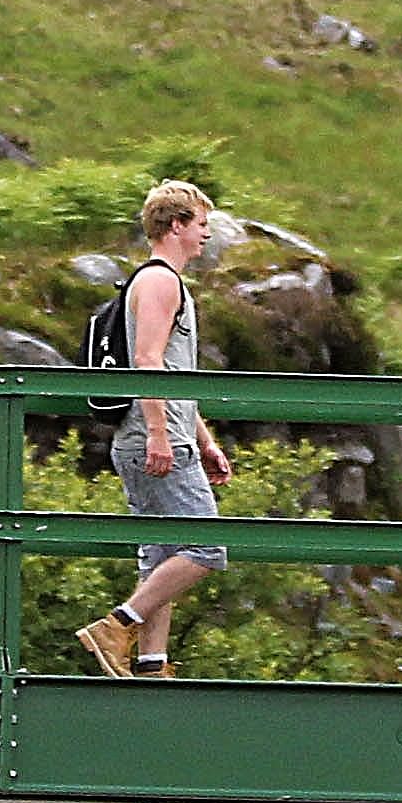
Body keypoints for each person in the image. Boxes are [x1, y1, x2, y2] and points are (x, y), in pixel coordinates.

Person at [77, 178, 231, 678]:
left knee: (162, 552)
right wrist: (162, 433)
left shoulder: (152, 281)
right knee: (205, 548)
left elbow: (170, 367)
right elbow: (147, 360)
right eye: (202, 224)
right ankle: (115, 626)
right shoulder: (162, 281)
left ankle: (150, 662)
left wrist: (204, 440)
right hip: (153, 436)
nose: (206, 234)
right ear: (176, 226)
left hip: (156, 431)